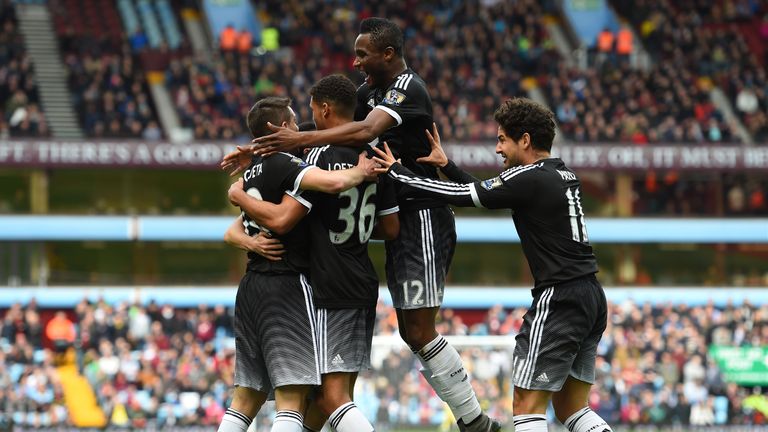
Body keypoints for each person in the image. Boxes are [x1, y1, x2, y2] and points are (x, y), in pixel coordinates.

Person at [221, 17, 500, 432]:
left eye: (363, 54)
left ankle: (474, 419)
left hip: (421, 213)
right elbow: (342, 129)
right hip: (375, 243)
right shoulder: (369, 95)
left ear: (388, 53)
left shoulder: (408, 87)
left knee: (416, 332)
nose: (356, 63)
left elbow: (365, 129)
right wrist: (269, 145)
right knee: (327, 392)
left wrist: (286, 147)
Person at [371, 98, 612, 432]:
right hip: (590, 295)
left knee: (526, 407)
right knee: (571, 406)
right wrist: (448, 165)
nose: (497, 148)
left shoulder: (529, 178)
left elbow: (467, 196)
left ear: (524, 140)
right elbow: (488, 192)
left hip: (560, 298)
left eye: (502, 140)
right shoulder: (557, 172)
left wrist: (398, 173)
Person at [217, 96, 376, 432]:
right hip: (286, 285)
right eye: (293, 120)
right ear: (283, 128)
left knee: (244, 399)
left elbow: (232, 232)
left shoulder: (250, 173)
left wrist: (248, 232)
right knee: (292, 399)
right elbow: (332, 183)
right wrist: (361, 171)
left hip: (250, 288)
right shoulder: (287, 165)